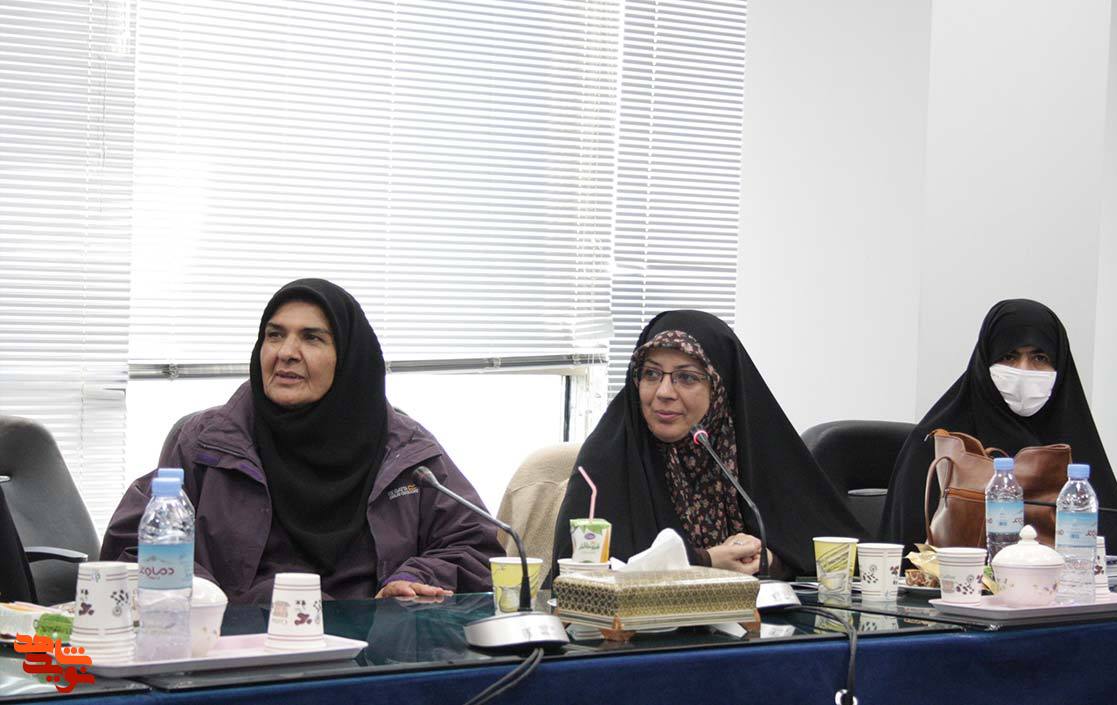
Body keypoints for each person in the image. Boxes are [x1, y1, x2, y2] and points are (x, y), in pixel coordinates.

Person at [101, 279, 503, 603]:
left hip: (371, 651)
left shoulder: (404, 451)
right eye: (274, 335)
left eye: (311, 338)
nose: (286, 352)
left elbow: (475, 549)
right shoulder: (205, 444)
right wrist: (208, 598)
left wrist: (415, 579)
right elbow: (132, 548)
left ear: (348, 358)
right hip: (239, 648)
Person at [552, 310, 865, 578]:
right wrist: (706, 560)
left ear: (721, 387)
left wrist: (770, 561)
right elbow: (583, 572)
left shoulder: (756, 448)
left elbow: (847, 555)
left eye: (687, 377)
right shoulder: (605, 462)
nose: (663, 392)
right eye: (651, 374)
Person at [879, 298, 1117, 558]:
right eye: (1009, 357)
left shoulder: (1073, 438)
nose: (1023, 371)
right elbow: (900, 553)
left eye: (1039, 357)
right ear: (985, 361)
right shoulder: (935, 444)